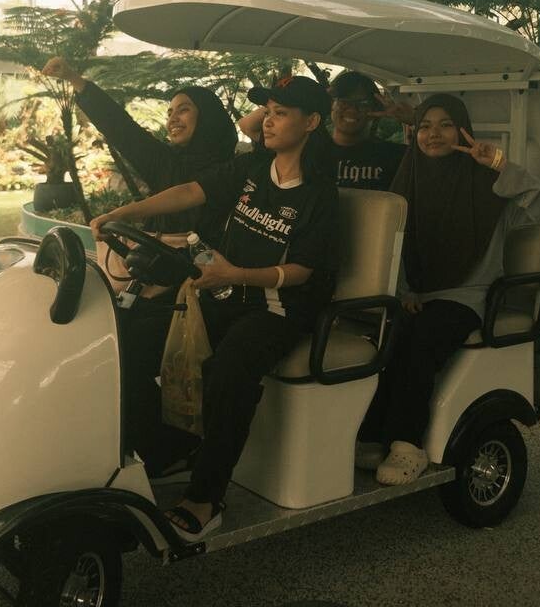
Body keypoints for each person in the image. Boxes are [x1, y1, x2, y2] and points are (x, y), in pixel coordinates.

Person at [92, 76, 339, 541]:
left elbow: (303, 271)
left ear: (311, 122)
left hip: (277, 309)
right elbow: (190, 191)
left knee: (230, 369)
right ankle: (161, 451)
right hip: (225, 292)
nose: (268, 120)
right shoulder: (252, 166)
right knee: (132, 339)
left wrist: (236, 275)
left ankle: (206, 498)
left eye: (281, 113)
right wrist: (125, 213)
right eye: (267, 110)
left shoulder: (319, 193)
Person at [357, 94, 540, 486]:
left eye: (445, 125)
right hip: (415, 295)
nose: (433, 134)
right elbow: (394, 247)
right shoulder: (408, 180)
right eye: (425, 126)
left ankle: (407, 444)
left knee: (422, 337)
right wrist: (404, 291)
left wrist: (498, 164)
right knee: (389, 332)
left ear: (462, 131)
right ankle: (374, 434)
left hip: (466, 297)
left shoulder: (488, 187)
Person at [40, 56, 237, 239]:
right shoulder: (165, 162)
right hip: (159, 257)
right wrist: (73, 78)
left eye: (183, 110)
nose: (172, 119)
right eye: (169, 113)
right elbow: (122, 128)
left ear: (208, 116)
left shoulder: (235, 170)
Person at [239, 70, 405, 190]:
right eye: (343, 101)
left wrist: (411, 120)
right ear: (332, 104)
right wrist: (317, 97)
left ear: (375, 108)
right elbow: (247, 125)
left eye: (362, 104)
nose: (351, 109)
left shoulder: (394, 155)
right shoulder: (306, 149)